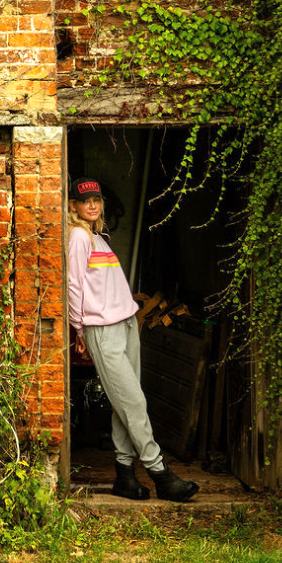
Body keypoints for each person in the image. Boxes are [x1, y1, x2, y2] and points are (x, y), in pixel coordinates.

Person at [65, 176, 199, 502]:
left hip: (125, 324)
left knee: (125, 403)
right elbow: (72, 287)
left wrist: (132, 319)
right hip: (103, 330)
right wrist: (79, 330)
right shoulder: (79, 238)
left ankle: (124, 475)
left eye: (97, 200)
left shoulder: (99, 237)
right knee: (134, 403)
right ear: (73, 206)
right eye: (85, 201)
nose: (93, 205)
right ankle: (160, 473)